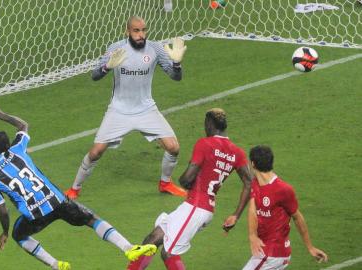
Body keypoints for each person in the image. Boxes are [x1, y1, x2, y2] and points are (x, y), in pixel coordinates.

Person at [0, 106, 156, 270]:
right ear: (8, 144)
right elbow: (23, 125)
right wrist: (1, 115)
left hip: (35, 215)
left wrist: (5, 232)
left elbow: (3, 211)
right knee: (91, 219)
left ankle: (56, 265)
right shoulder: (17, 149)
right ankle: (128, 247)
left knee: (18, 235)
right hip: (57, 200)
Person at [65, 16, 188, 199]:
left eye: (143, 30)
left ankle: (165, 183)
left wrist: (177, 64)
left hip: (146, 109)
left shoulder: (154, 48)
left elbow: (175, 77)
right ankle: (74, 188)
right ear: (127, 31)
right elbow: (95, 76)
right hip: (119, 110)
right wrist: (107, 67)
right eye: (136, 31)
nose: (141, 35)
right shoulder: (116, 49)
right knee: (96, 151)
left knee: (173, 147)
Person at [127, 108, 253, 270]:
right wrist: (236, 215)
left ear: (209, 124)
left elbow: (186, 179)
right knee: (152, 239)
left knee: (169, 252)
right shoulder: (237, 152)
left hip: (196, 207)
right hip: (199, 207)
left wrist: (185, 178)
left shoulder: (204, 144)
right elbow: (249, 182)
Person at [243, 145, 328, 269]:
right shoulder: (255, 183)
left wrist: (310, 247)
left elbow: (297, 217)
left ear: (252, 164)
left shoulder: (283, 189)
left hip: (272, 254)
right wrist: (252, 236)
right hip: (266, 251)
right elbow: (252, 210)